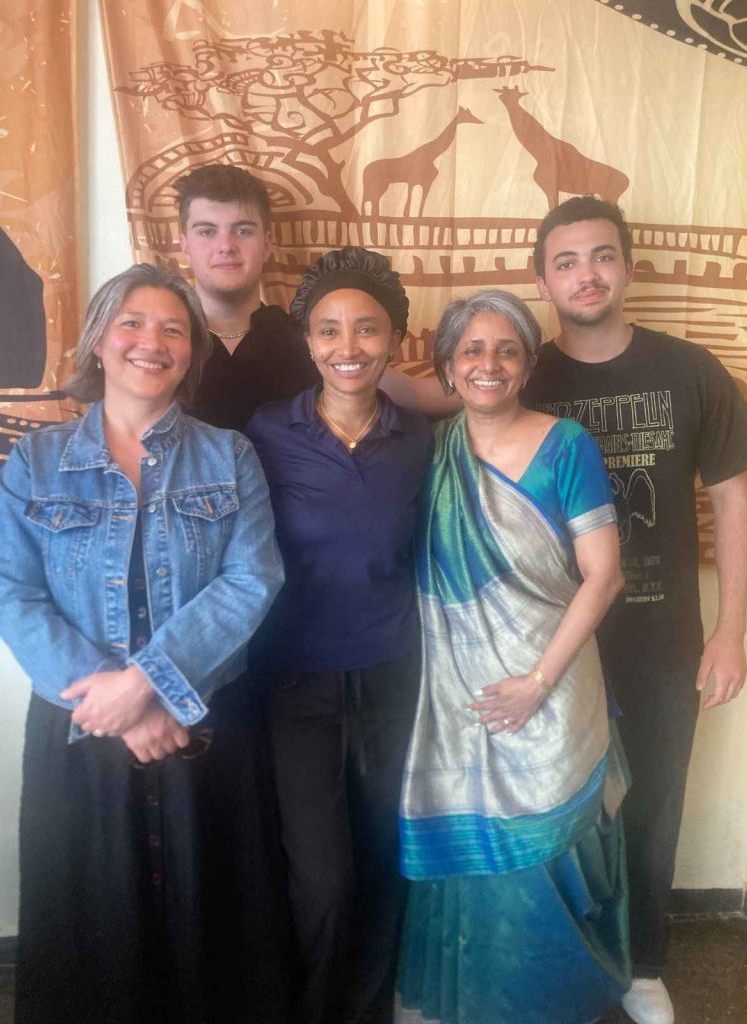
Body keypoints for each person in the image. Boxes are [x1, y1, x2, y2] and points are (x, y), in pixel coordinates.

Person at [0, 264, 289, 1024]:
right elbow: (9, 588)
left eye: (173, 329)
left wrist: (149, 682)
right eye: (132, 323)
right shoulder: (36, 461)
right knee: (89, 918)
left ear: (191, 353)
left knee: (209, 917)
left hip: (203, 718)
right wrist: (114, 703)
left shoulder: (230, 456)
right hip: (80, 721)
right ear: (98, 341)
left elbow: (253, 578)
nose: (151, 341)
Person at [524, 196, 747, 1024]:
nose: (586, 274)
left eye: (601, 256)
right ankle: (566, 959)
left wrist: (730, 631)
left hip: (661, 635)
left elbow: (733, 499)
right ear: (542, 279)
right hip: (552, 639)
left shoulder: (692, 371)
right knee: (560, 805)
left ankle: (644, 965)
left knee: (653, 801)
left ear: (627, 265)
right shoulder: (524, 376)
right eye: (566, 261)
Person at [397, 289, 630, 1024]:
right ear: (447, 367)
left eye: (506, 350)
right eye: (471, 350)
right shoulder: (432, 450)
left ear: (529, 365)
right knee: (473, 847)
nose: (488, 364)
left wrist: (536, 682)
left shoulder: (566, 445)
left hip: (551, 684)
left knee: (548, 847)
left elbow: (604, 577)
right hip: (458, 695)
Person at [244, 246, 434, 1024]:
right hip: (296, 681)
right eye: (328, 330)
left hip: (394, 671)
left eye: (366, 329)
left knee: (385, 853)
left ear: (394, 340)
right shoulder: (266, 432)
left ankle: (370, 1009)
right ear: (307, 341)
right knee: (320, 874)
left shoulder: (419, 438)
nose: (347, 347)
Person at [174, 163, 456, 428]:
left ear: (267, 243)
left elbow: (416, 394)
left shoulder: (306, 340)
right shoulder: (161, 342)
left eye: (243, 230)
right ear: (184, 245)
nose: (226, 246)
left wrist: (481, 381)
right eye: (207, 231)